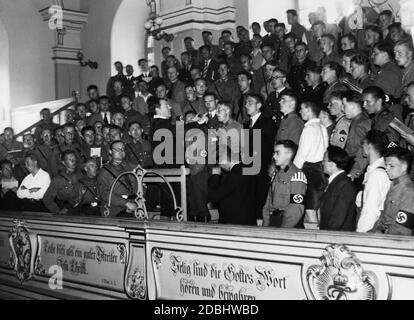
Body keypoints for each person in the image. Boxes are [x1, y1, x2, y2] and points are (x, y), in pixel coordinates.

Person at [244, 93, 277, 223]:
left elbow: (273, 145)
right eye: (246, 103)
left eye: (250, 102)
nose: (247, 105)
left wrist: (272, 164)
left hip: (262, 168)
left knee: (261, 199)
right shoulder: (246, 124)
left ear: (259, 105)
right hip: (249, 168)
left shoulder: (268, 123)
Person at [294, 101, 329, 226]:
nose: (299, 111)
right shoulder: (323, 127)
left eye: (302, 109)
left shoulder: (309, 128)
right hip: (321, 171)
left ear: (308, 110)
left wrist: (291, 172)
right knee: (317, 210)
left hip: (310, 173)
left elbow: (302, 154)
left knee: (310, 211)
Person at [262, 140, 307, 228]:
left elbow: (296, 209)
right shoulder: (276, 173)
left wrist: (284, 230)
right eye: (274, 153)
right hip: (274, 221)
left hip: (288, 224)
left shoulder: (297, 175)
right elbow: (268, 202)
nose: (274, 156)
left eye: (277, 153)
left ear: (289, 155)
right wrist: (266, 224)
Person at [208, 147, 255, 226]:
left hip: (234, 224)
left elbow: (214, 196)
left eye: (219, 163)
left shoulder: (233, 175)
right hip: (249, 221)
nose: (220, 166)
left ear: (223, 161)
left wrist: (215, 176)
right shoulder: (248, 169)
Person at [372, 148, 414, 236]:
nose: (387, 169)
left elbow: (403, 229)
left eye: (391, 166)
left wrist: (384, 236)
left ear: (404, 167)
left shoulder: (409, 191)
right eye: (386, 165)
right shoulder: (394, 184)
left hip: (393, 239)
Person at [356, 131, 391, 232]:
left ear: (369, 146)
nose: (362, 146)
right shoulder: (374, 171)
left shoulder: (376, 175)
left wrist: (360, 233)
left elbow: (371, 210)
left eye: (363, 143)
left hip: (369, 231)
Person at [319, 146, 357, 231]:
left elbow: (337, 219)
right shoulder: (336, 182)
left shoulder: (344, 185)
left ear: (332, 164)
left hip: (337, 238)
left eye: (324, 161)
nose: (322, 163)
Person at [97, 140, 138, 218]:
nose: (121, 151)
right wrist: (126, 203)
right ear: (110, 152)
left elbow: (139, 185)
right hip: (114, 209)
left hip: (134, 206)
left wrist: (137, 202)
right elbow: (105, 193)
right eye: (118, 149)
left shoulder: (132, 167)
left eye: (123, 149)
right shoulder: (104, 171)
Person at [343, 91, 372, 180]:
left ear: (353, 106)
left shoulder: (359, 125)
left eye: (344, 105)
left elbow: (359, 151)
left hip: (355, 165)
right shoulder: (364, 119)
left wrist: (354, 172)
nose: (342, 109)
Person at [43, 150, 83, 215]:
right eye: (70, 159)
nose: (73, 161)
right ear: (64, 162)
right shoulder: (58, 179)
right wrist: (58, 211)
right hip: (67, 212)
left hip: (81, 210)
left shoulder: (81, 176)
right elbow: (47, 199)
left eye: (74, 159)